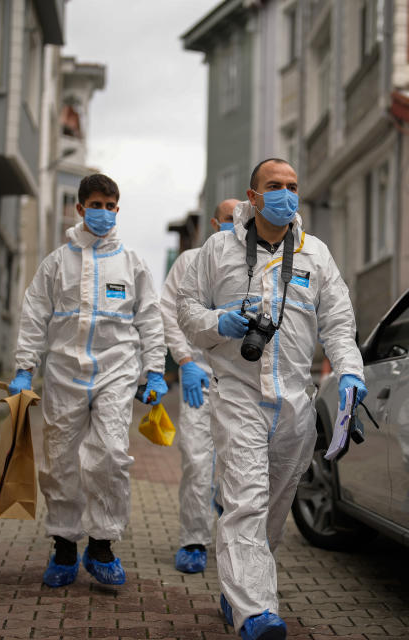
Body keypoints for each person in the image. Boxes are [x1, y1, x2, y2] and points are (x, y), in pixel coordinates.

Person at [177, 159, 366, 640]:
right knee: (245, 500)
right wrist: (218, 323)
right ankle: (256, 612)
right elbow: (186, 309)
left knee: (275, 509)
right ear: (253, 196)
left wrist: (348, 374)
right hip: (238, 393)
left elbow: (339, 324)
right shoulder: (217, 251)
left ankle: (238, 585)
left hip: (295, 402)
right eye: (274, 186)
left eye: (292, 187)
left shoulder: (314, 254)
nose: (285, 194)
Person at [9, 173, 168, 588]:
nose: (103, 213)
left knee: (111, 454)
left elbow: (150, 319)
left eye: (110, 206)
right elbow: (34, 316)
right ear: (80, 209)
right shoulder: (56, 263)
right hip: (64, 373)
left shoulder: (131, 264)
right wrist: (24, 367)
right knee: (60, 458)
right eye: (95, 205)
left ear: (118, 210)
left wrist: (154, 369)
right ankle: (64, 545)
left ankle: (101, 545)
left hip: (116, 372)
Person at [159, 198, 238, 574]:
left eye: (240, 219)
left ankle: (233, 538)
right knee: (196, 461)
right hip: (198, 381)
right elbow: (167, 309)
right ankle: (194, 539)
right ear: (213, 222)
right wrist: (185, 360)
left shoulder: (255, 266)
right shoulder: (190, 262)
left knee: (238, 465)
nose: (233, 225)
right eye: (227, 219)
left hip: (240, 385)